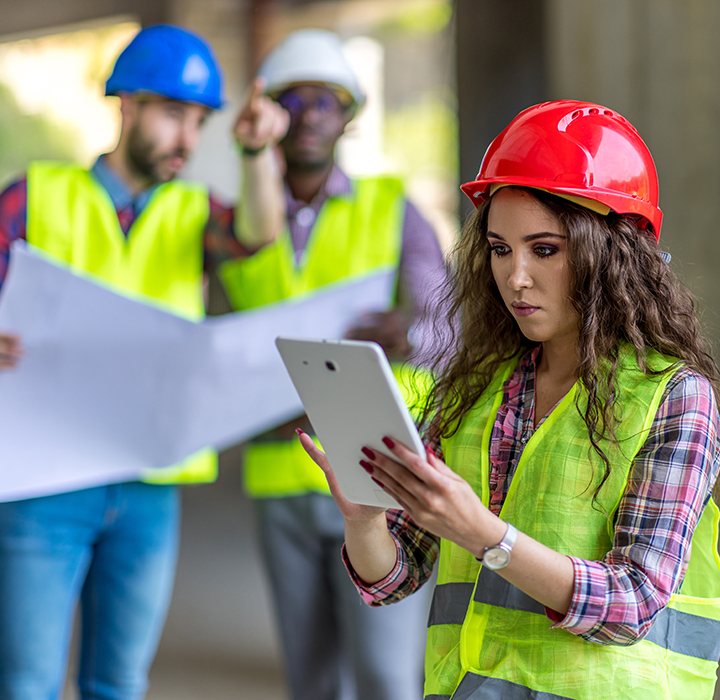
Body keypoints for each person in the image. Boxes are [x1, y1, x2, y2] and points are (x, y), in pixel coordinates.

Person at [299, 100, 720, 700]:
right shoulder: (477, 389)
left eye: (544, 249)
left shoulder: (676, 397)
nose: (515, 276)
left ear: (614, 253)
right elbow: (393, 579)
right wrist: (363, 518)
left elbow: (631, 603)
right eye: (500, 249)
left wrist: (485, 536)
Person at [0, 24, 287, 700]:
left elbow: (258, 231)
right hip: (46, 481)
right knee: (27, 683)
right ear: (125, 104)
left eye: (200, 122)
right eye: (171, 114)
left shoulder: (193, 211)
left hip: (147, 488)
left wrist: (255, 152)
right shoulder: (34, 195)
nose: (188, 138)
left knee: (119, 683)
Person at [221, 28, 445, 700]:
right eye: (297, 98)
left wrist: (413, 332)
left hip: (378, 472)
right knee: (312, 680)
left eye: (329, 100)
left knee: (385, 677)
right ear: (272, 113)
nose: (313, 113)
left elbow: (458, 330)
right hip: (279, 477)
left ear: (350, 116)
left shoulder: (392, 209)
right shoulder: (236, 224)